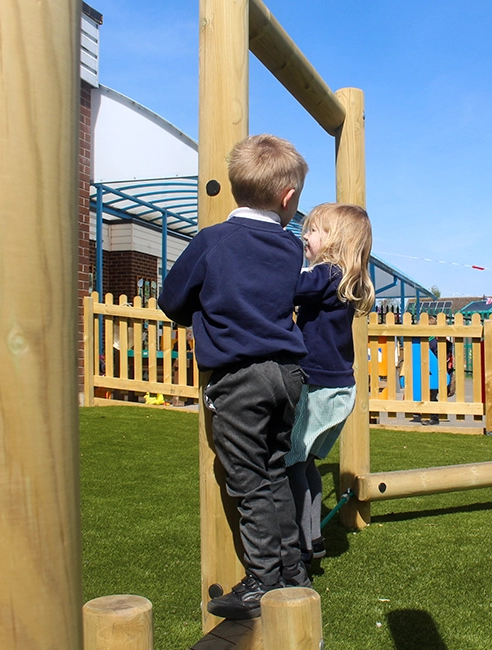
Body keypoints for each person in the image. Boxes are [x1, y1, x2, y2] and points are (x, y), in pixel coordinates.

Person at [157, 134, 310, 620]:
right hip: (287, 374)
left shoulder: (212, 240)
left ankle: (263, 581)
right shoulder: (290, 249)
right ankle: (293, 570)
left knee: (246, 479)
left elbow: (173, 300)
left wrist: (204, 307)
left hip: (237, 378)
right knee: (273, 468)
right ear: (288, 198)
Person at [285, 203, 374, 567]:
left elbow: (288, 286)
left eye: (314, 231)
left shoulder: (325, 274)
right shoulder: (346, 279)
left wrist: (280, 251)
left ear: (336, 241)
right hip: (339, 389)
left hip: (318, 388)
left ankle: (298, 544)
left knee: (291, 463)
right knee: (305, 464)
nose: (305, 236)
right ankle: (314, 539)